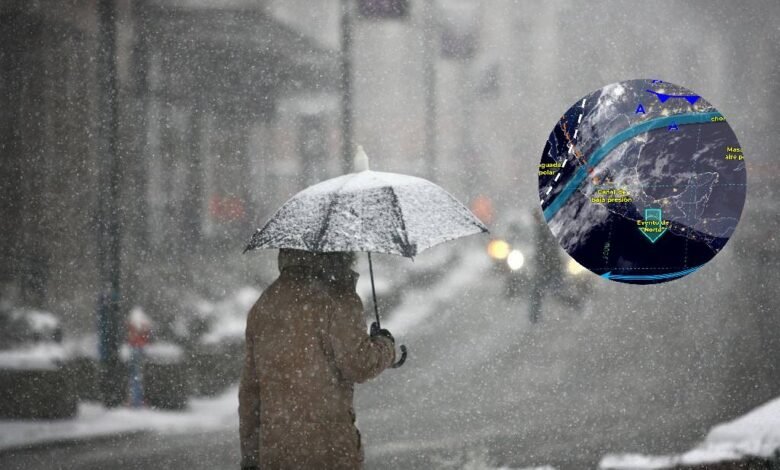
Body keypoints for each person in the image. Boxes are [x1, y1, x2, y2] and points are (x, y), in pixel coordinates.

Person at [239, 249, 396, 469]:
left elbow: (250, 392)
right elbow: (360, 365)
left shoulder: (265, 303)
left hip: (276, 451)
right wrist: (385, 345)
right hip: (328, 449)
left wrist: (251, 457)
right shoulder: (339, 298)